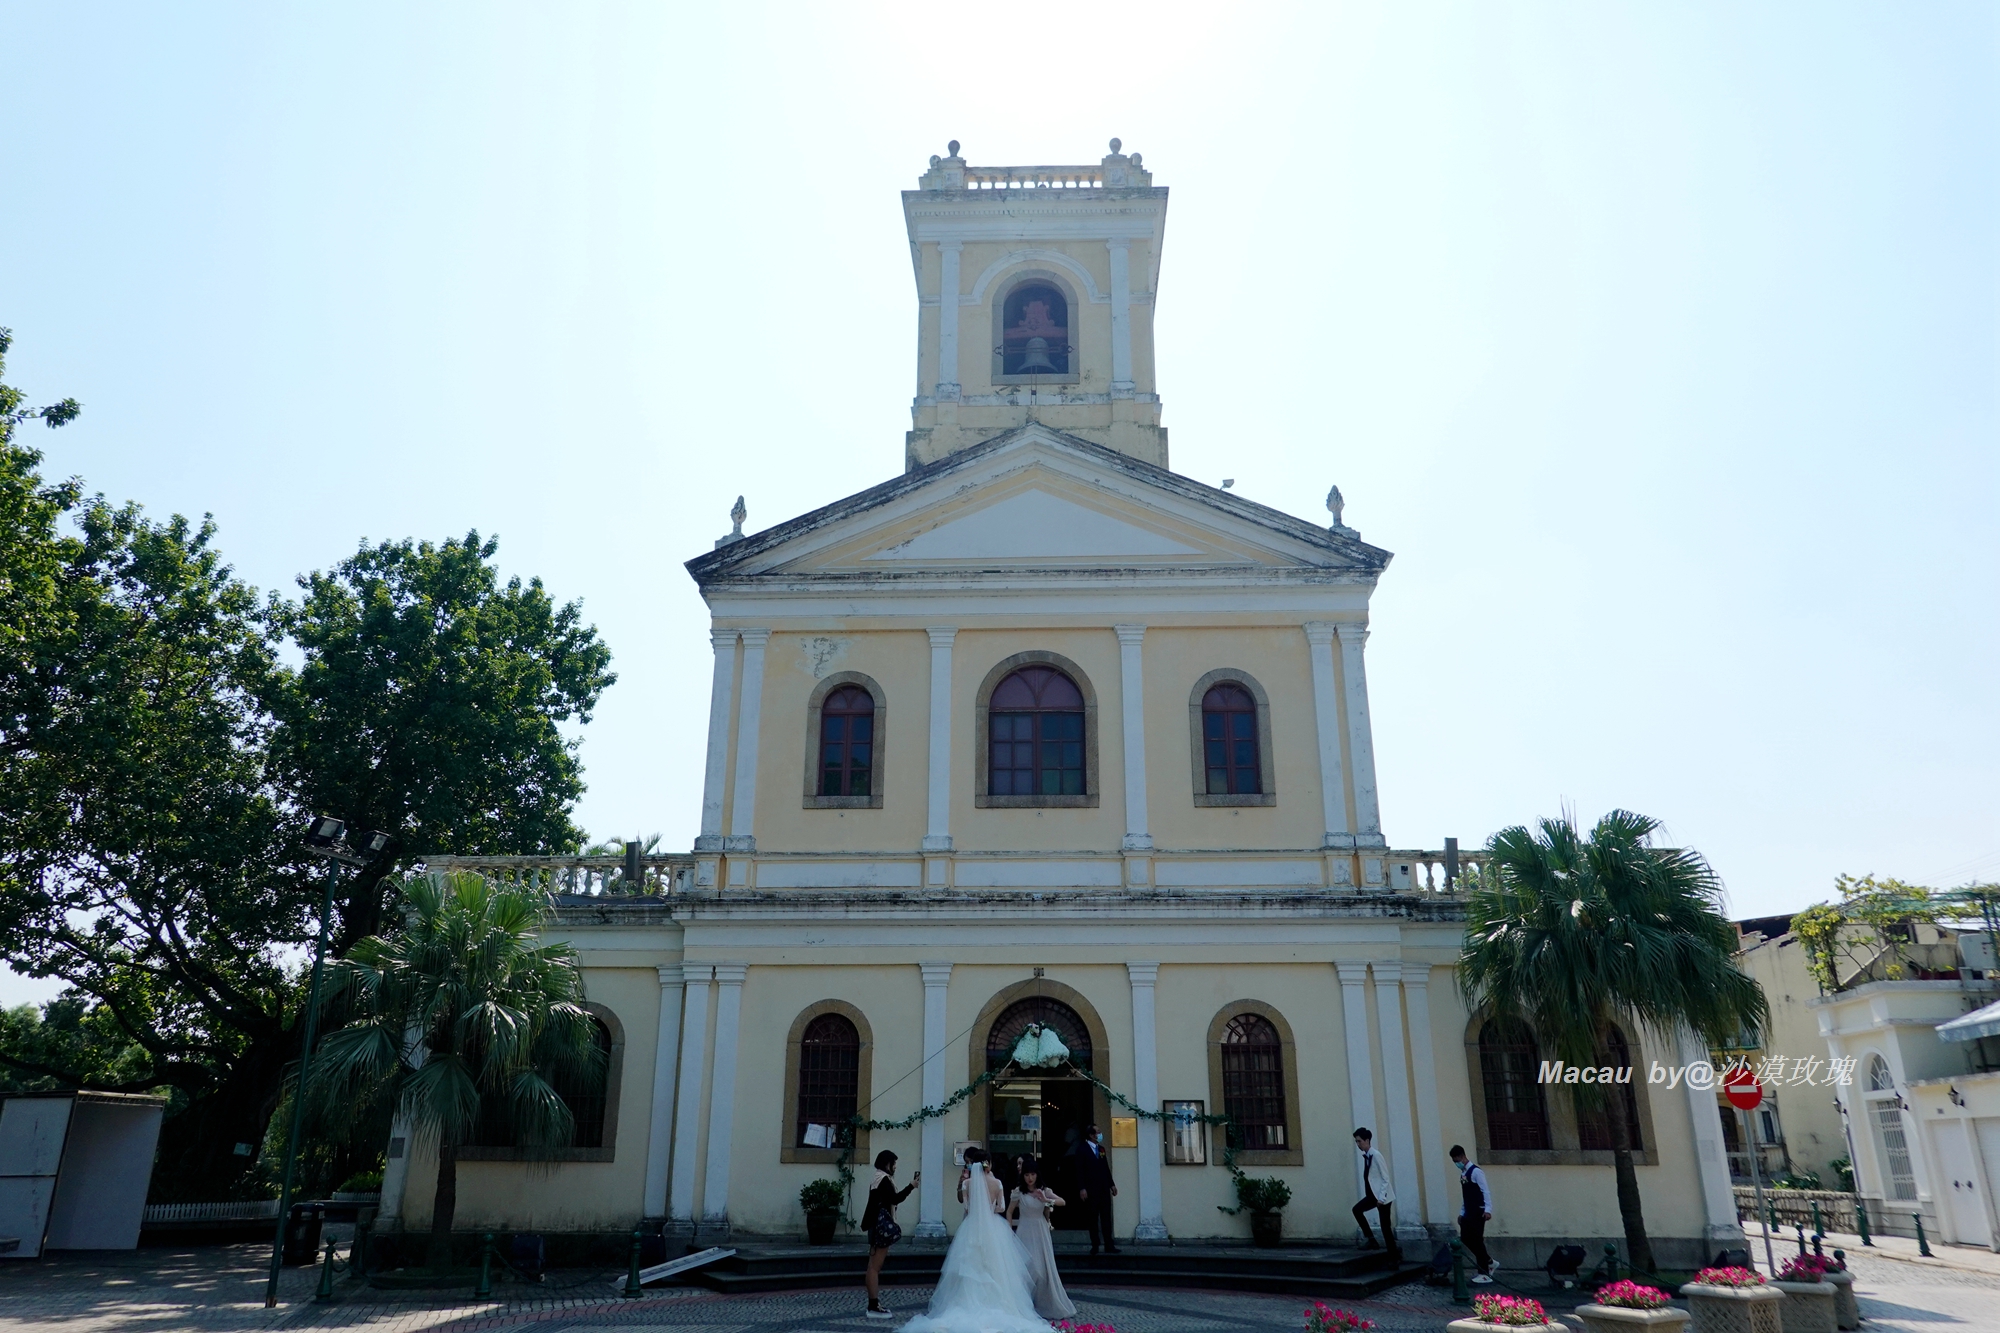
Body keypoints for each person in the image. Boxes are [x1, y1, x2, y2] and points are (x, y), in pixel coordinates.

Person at [898, 1147, 1048, 1333]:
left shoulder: (967, 1183)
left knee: (969, 1266)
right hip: (993, 1227)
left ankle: (966, 1302)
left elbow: (967, 1208)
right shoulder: (997, 1183)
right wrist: (989, 1210)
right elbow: (1001, 1208)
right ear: (989, 1164)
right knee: (997, 1266)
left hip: (972, 1226)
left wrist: (979, 1210)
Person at [1008, 1155, 1076, 1319]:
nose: (1030, 1178)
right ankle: (1025, 1304)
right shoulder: (1018, 1192)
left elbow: (1062, 1202)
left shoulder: (1044, 1191)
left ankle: (1042, 1304)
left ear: (1037, 1174)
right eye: (1026, 1175)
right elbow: (1009, 1212)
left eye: (1032, 1174)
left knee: (1041, 1269)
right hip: (1024, 1230)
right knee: (1026, 1268)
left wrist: (1046, 1200)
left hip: (1040, 1230)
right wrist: (1009, 1231)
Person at [863, 1150, 918, 1319]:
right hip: (880, 1227)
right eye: (894, 1163)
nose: (895, 1167)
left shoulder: (878, 1177)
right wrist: (911, 1186)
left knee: (872, 1266)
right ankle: (873, 1305)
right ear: (888, 1163)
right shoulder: (884, 1179)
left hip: (875, 1225)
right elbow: (895, 1199)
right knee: (874, 1267)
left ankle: (873, 1304)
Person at [1350, 1127, 1400, 1262]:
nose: (1358, 1144)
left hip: (1382, 1197)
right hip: (1373, 1195)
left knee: (1385, 1228)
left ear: (1367, 1140)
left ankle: (1394, 1258)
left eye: (1359, 1141)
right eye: (1356, 1141)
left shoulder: (1376, 1155)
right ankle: (1371, 1239)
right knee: (1357, 1210)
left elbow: (1385, 1178)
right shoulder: (1367, 1156)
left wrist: (1381, 1198)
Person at [1072, 1122, 1120, 1255]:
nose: (1100, 1134)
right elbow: (1079, 1171)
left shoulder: (1101, 1149)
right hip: (1090, 1189)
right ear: (1091, 1135)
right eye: (1098, 1132)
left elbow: (1105, 1168)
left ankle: (1109, 1244)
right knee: (1092, 1218)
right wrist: (1082, 1188)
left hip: (1103, 1188)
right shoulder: (1082, 1150)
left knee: (1106, 1217)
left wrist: (1111, 1184)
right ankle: (1095, 1245)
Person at [1450, 1144, 1496, 1283]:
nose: (1456, 1163)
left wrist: (1488, 1210)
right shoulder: (1463, 1173)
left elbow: (1485, 1191)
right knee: (1465, 1238)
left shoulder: (1476, 1172)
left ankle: (1484, 1273)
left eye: (1457, 1160)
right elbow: (1466, 1195)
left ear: (1462, 1156)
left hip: (1478, 1211)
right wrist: (1462, 1212)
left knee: (1477, 1240)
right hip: (1468, 1211)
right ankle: (1489, 1261)